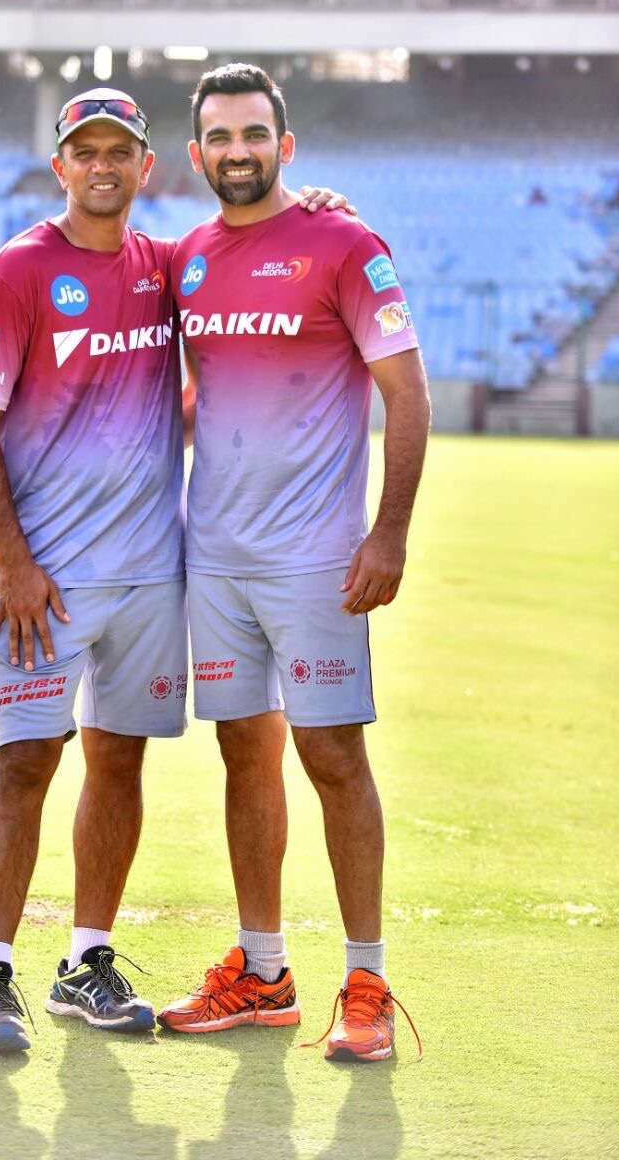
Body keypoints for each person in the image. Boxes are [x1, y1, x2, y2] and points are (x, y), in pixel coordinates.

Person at [0, 85, 350, 1054]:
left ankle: (85, 960)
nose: (99, 165)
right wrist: (13, 555)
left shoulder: (166, 268)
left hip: (150, 572)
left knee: (115, 756)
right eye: (81, 150)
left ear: (145, 167)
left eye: (116, 151)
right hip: (44, 579)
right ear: (60, 166)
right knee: (23, 759)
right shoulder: (17, 269)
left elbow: (247, 270)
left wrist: (320, 213)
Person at [157, 65, 430, 1063]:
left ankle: (364, 978)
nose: (237, 150)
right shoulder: (184, 259)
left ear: (286, 143)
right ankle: (263, 972)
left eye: (253, 133)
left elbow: (406, 392)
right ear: (194, 154)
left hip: (317, 562)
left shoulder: (345, 243)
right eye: (219, 136)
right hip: (215, 559)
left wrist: (387, 531)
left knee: (332, 756)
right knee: (243, 754)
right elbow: (197, 400)